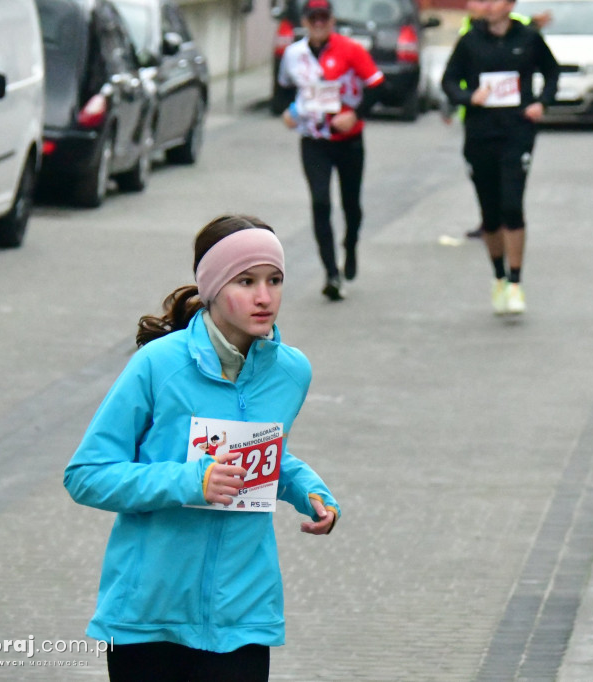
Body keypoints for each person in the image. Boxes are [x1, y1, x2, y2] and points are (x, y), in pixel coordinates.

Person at [64, 215, 340, 682]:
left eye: (275, 280)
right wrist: (194, 481)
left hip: (243, 614)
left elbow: (267, 455)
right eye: (246, 281)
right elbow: (87, 474)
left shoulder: (291, 372)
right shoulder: (158, 364)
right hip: (149, 614)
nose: (264, 297)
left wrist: (308, 489)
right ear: (211, 287)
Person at [442, 0, 559, 315]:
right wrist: (468, 97)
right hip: (480, 135)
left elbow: (552, 71)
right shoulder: (470, 41)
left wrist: (542, 103)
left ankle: (516, 283)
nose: (488, 6)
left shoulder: (528, 38)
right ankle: (498, 276)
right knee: (491, 213)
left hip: (517, 133)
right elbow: (448, 81)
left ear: (510, 5)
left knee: (512, 205)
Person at [278, 0, 384, 302]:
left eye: (324, 18)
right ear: (305, 22)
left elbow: (377, 85)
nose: (319, 23)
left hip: (348, 140)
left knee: (351, 204)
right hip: (314, 141)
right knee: (321, 202)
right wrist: (288, 112)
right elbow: (286, 89)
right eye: (313, 19)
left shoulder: (350, 50)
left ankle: (350, 245)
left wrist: (356, 113)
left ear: (332, 20)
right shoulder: (293, 54)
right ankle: (331, 273)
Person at [447, 0, 551, 240]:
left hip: (516, 127)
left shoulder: (523, 33)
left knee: (511, 198)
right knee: (488, 192)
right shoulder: (469, 35)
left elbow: (547, 65)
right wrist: (466, 98)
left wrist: (541, 102)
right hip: (479, 124)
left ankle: (510, 241)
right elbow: (451, 77)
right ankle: (490, 224)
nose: (482, 6)